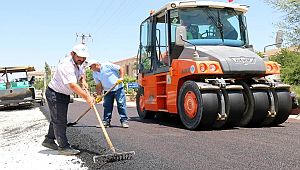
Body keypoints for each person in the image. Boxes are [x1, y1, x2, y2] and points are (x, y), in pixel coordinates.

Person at [41, 44, 95, 155]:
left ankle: (49, 140)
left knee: (57, 118)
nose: (82, 59)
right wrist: (87, 97)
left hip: (64, 94)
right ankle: (63, 147)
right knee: (60, 120)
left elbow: (82, 73)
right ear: (72, 54)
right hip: (54, 93)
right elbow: (73, 85)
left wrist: (83, 80)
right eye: (80, 57)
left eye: (84, 57)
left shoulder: (80, 63)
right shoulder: (66, 65)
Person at [88, 60, 129, 128]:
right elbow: (98, 85)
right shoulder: (94, 74)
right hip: (107, 91)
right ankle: (106, 122)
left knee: (121, 104)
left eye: (90, 67)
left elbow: (121, 68)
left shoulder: (107, 65)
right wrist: (99, 95)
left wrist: (121, 78)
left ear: (95, 65)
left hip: (118, 88)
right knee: (107, 106)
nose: (90, 69)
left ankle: (124, 121)